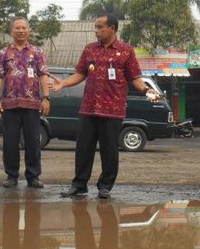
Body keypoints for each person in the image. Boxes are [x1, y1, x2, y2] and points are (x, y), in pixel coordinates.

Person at [52, 14, 161, 199]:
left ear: (112, 28)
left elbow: (134, 77)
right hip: (89, 108)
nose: (96, 30)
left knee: (109, 150)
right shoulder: (89, 49)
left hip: (113, 109)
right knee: (83, 149)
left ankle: (105, 186)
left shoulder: (126, 51)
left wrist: (146, 91)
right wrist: (63, 84)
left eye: (100, 27)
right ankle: (79, 185)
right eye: (95, 27)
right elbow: (80, 73)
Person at [0, 17, 50, 189]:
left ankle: (33, 176)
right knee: (10, 142)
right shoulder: (3, 53)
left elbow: (43, 74)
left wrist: (46, 97)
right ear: (11, 31)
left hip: (32, 104)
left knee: (32, 141)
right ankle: (11, 175)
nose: (21, 31)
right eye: (17, 28)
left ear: (28, 31)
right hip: (10, 104)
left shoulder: (37, 52)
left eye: (24, 28)